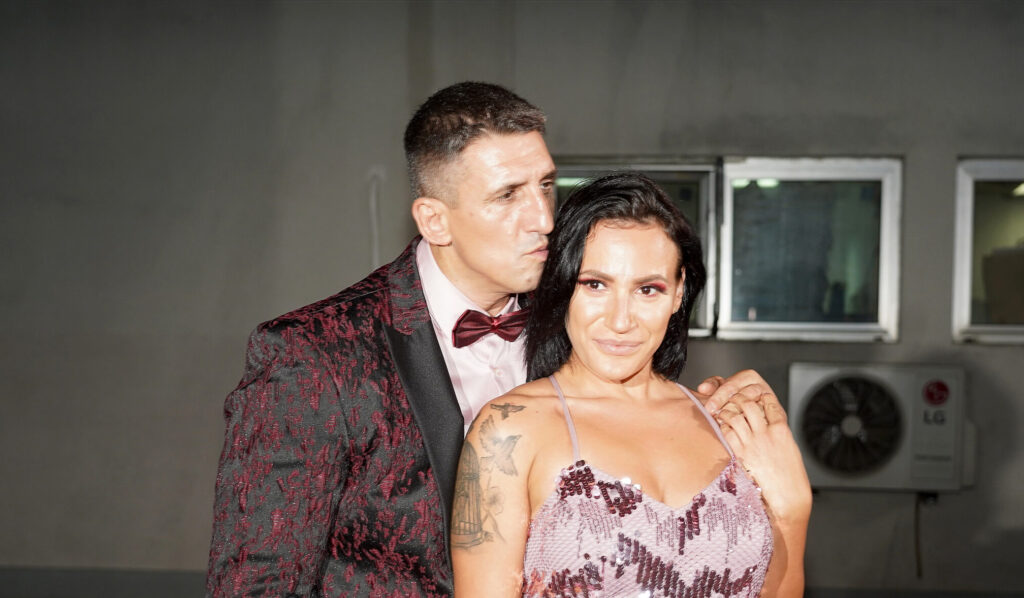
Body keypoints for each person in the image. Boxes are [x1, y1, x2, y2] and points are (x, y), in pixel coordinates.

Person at [206, 81, 779, 597]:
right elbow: (256, 585)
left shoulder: (585, 315)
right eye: (508, 196)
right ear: (435, 220)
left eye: (545, 186)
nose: (544, 220)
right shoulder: (313, 354)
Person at [451, 173, 812, 597]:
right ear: (562, 285)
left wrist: (794, 509)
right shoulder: (508, 430)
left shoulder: (726, 422)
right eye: (595, 284)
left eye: (648, 289)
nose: (620, 321)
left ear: (678, 292)